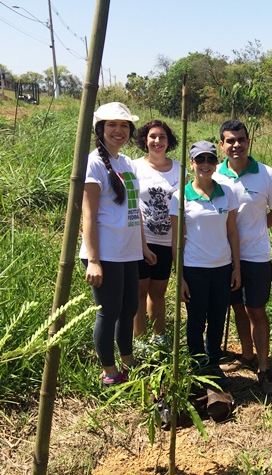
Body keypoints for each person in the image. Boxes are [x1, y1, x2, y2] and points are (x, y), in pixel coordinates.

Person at [80, 102, 157, 388]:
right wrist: (94, 260)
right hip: (106, 252)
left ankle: (128, 361)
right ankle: (110, 371)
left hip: (128, 250)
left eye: (124, 125)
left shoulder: (125, 162)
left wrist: (144, 247)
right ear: (100, 129)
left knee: (128, 310)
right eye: (112, 125)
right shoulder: (93, 163)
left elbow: (134, 210)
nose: (119, 130)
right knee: (108, 310)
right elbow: (88, 214)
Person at [213, 119, 272, 396]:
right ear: (222, 145)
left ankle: (264, 368)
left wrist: (256, 230)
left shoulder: (265, 174)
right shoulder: (214, 175)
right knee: (236, 307)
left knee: (256, 310)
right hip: (222, 256)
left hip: (256, 256)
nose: (236, 145)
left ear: (249, 141)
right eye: (230, 140)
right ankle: (246, 354)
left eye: (241, 139)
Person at [169, 141, 241, 389]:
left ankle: (213, 364)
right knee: (196, 320)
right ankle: (198, 366)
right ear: (191, 164)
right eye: (200, 160)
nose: (206, 165)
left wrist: (236, 267)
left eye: (211, 160)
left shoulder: (226, 193)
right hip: (194, 268)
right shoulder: (180, 197)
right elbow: (176, 240)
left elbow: (232, 232)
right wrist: (180, 278)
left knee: (218, 318)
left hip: (222, 267)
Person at [132, 120, 180, 345]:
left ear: (169, 141)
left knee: (159, 290)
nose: (157, 141)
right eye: (152, 136)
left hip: (168, 241)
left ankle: (159, 336)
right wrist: (142, 244)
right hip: (141, 239)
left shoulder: (181, 170)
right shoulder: (134, 167)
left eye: (162, 137)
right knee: (139, 290)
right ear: (145, 140)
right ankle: (139, 340)